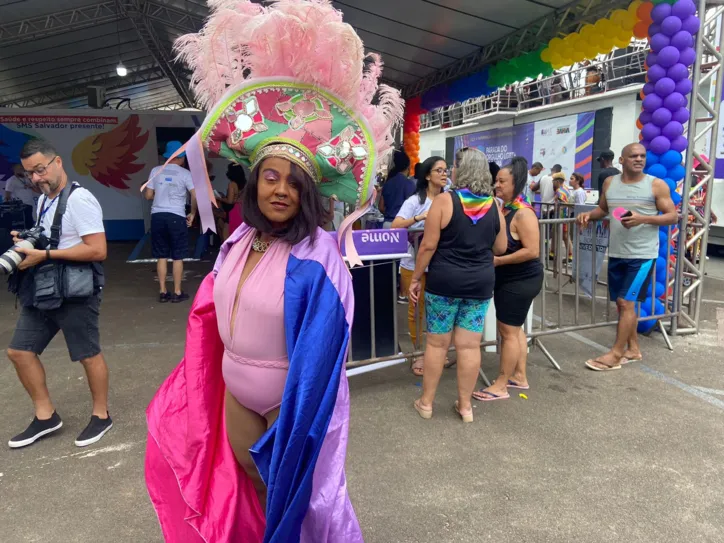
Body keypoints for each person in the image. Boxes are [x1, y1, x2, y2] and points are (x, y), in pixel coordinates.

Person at [144, 1, 401, 540]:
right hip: (237, 393)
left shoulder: (319, 255)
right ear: (255, 183)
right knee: (249, 490)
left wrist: (299, 415)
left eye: (293, 182)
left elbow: (324, 353)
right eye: (271, 177)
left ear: (307, 192)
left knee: (299, 500)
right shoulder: (238, 239)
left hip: (290, 404)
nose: (281, 188)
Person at [6, 138, 111, 449]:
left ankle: (101, 415)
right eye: (29, 174)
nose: (36, 179)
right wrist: (28, 241)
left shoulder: (80, 200)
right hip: (45, 287)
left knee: (87, 354)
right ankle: (46, 416)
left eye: (40, 170)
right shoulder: (43, 200)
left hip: (76, 289)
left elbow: (98, 249)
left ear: (57, 162)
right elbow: (52, 237)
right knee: (20, 352)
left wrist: (46, 256)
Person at [409, 147, 507, 423]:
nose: (450, 170)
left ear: (461, 170)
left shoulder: (444, 201)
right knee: (468, 347)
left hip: (444, 282)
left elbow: (428, 245)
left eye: (454, 166)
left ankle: (426, 403)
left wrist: (416, 278)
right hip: (479, 284)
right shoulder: (494, 206)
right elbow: (500, 247)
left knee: (437, 345)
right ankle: (465, 407)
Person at [577, 143, 678, 371]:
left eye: (642, 156)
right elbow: (604, 209)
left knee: (626, 301)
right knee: (623, 306)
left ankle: (615, 354)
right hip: (617, 254)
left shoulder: (656, 185)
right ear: (621, 160)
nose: (639, 159)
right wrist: (587, 215)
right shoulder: (610, 183)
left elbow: (673, 217)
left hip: (642, 257)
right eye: (634, 156)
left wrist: (643, 219)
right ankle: (633, 349)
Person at [473, 157, 543, 401]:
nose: (497, 185)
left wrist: (499, 261)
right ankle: (519, 376)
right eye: (496, 180)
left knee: (509, 332)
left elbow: (532, 251)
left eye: (502, 181)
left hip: (521, 279)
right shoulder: (505, 208)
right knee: (515, 330)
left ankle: (501, 384)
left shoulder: (523, 214)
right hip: (509, 278)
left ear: (517, 183)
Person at [392, 155, 447, 376]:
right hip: (412, 264)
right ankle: (418, 354)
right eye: (439, 170)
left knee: (438, 309)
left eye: (446, 170)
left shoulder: (450, 199)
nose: (444, 174)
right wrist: (420, 218)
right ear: (427, 175)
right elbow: (396, 225)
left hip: (440, 264)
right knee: (416, 310)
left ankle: (435, 352)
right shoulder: (415, 201)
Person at [143, 141, 197, 303]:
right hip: (176, 217)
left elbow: (148, 196)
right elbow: (195, 195)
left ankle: (162, 291)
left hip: (157, 216)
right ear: (181, 157)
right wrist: (192, 213)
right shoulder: (185, 174)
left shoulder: (155, 171)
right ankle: (177, 292)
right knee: (178, 256)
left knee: (161, 255)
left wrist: (159, 193)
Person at [380, 150, 414, 227]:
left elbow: (381, 207)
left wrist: (390, 213)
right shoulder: (409, 184)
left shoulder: (388, 183)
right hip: (402, 225)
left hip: (387, 224)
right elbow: (412, 207)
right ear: (408, 166)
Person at [217, 163, 246, 240]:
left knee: (226, 233)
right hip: (240, 210)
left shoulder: (232, 184)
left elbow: (230, 201)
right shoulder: (244, 183)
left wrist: (219, 198)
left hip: (231, 210)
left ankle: (225, 250)